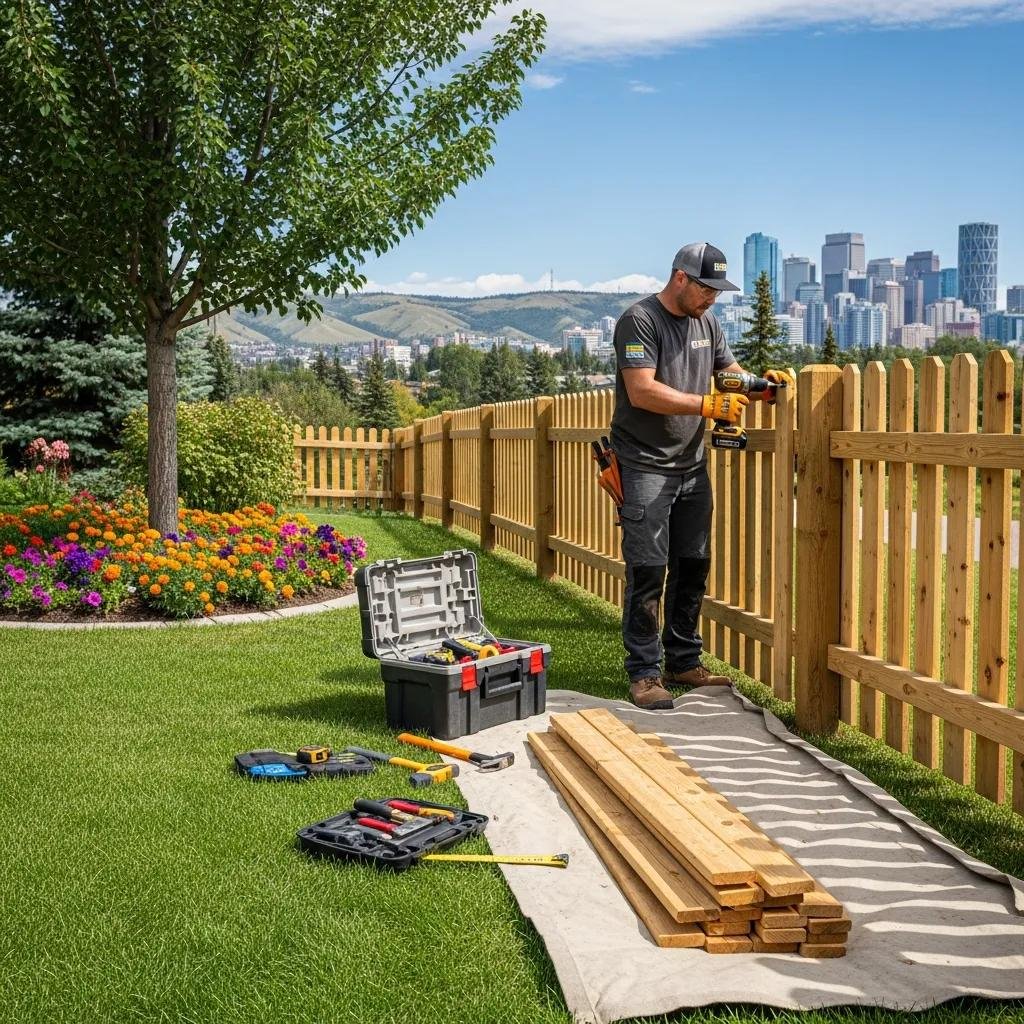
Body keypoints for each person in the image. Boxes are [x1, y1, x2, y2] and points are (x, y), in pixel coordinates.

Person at [610, 242, 793, 710]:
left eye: (718, 290)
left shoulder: (706, 323)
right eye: (707, 288)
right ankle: (645, 674)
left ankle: (683, 660)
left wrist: (762, 387)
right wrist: (706, 404)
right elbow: (642, 389)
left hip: (692, 466)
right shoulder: (640, 320)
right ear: (680, 279)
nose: (714, 298)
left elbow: (728, 374)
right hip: (645, 464)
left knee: (693, 564)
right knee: (648, 569)